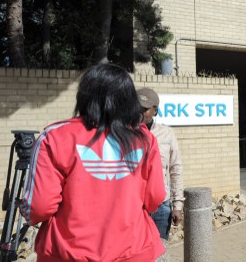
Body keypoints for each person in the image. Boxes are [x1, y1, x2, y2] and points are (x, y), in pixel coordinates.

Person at [19, 64, 166, 262]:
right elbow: (155, 197)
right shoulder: (145, 139)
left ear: (85, 95)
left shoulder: (54, 137)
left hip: (68, 252)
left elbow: (38, 206)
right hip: (133, 250)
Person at [137, 87, 185, 240]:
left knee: (160, 253)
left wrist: (178, 205)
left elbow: (175, 169)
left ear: (155, 111)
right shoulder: (125, 134)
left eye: (144, 109)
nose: (139, 112)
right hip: (135, 206)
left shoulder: (166, 134)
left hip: (160, 206)